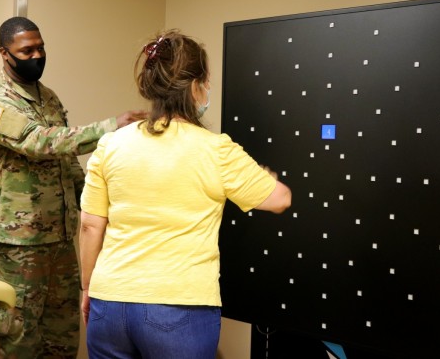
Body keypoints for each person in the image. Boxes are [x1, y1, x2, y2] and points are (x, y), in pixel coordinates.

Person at [79, 29, 292, 359]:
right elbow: (280, 198)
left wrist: (88, 287)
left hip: (111, 303)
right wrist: (263, 175)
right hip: (178, 307)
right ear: (196, 86)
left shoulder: (111, 144)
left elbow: (91, 226)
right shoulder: (216, 150)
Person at [0, 16, 144, 359]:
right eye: (27, 50)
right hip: (16, 248)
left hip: (61, 243)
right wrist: (111, 127)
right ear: (5, 54)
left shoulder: (48, 98)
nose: (37, 55)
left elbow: (66, 162)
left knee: (61, 341)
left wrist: (100, 209)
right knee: (18, 341)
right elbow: (39, 142)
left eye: (41, 47)